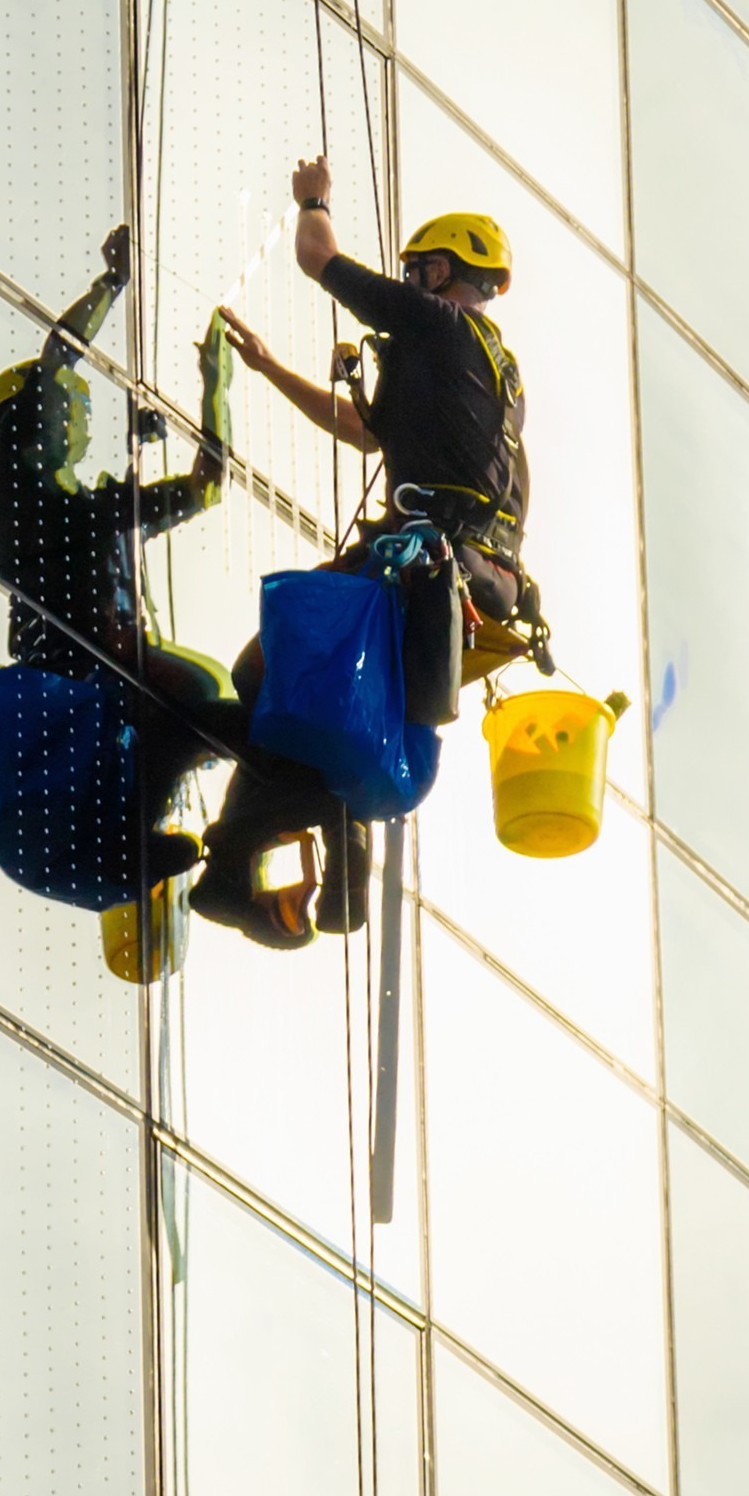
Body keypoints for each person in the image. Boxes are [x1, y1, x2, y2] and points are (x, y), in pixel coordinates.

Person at [192, 154, 542, 939]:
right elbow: (362, 430)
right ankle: (328, 864)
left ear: (441, 270)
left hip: (422, 558)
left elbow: (317, 256)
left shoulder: (437, 324)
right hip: (469, 572)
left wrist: (313, 197)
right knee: (336, 704)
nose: (408, 282)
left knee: (264, 672)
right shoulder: (490, 372)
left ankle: (263, 852)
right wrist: (269, 367)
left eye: (417, 270)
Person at [0, 224, 245, 894]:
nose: (79, 418)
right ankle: (148, 843)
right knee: (198, 705)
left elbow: (207, 485)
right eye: (69, 407)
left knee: (202, 711)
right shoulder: (12, 481)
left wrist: (216, 388)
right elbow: (56, 360)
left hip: (114, 665)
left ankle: (219, 843)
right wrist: (111, 283)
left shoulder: (102, 509)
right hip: (70, 664)